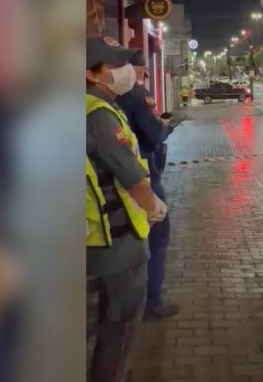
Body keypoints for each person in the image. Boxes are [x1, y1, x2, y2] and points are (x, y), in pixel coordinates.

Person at [86, 36, 168, 382]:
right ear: (91, 73)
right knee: (118, 325)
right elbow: (130, 174)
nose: (125, 71)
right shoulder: (99, 113)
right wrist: (154, 206)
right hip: (117, 241)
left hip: (97, 235)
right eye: (115, 66)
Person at [116, 53, 182, 321]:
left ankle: (124, 301)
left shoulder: (100, 99)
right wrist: (165, 126)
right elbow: (154, 135)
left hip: (114, 181)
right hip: (143, 174)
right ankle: (150, 302)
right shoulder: (134, 94)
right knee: (157, 234)